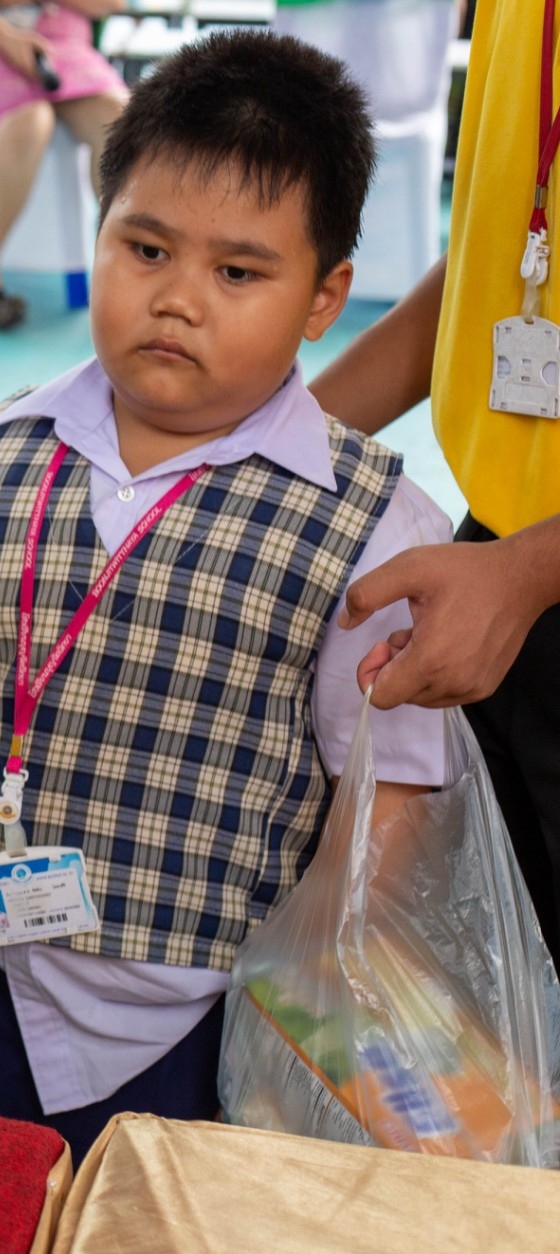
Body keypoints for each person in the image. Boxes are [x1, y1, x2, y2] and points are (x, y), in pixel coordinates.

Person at [0, 32, 454, 1159]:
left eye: (237, 273)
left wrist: (301, 1010)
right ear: (98, 228)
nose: (177, 300)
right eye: (146, 248)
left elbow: (385, 809)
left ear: (324, 297)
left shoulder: (372, 530)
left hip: (204, 1029)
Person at [311, 0, 560, 957]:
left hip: (522, 572)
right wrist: (266, 439)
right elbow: (505, 263)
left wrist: (529, 573)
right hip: (492, 560)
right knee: (491, 985)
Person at [0, 0, 128, 330]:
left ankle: (121, 273)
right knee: (29, 119)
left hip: (66, 52)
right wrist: (7, 38)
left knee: (120, 121)